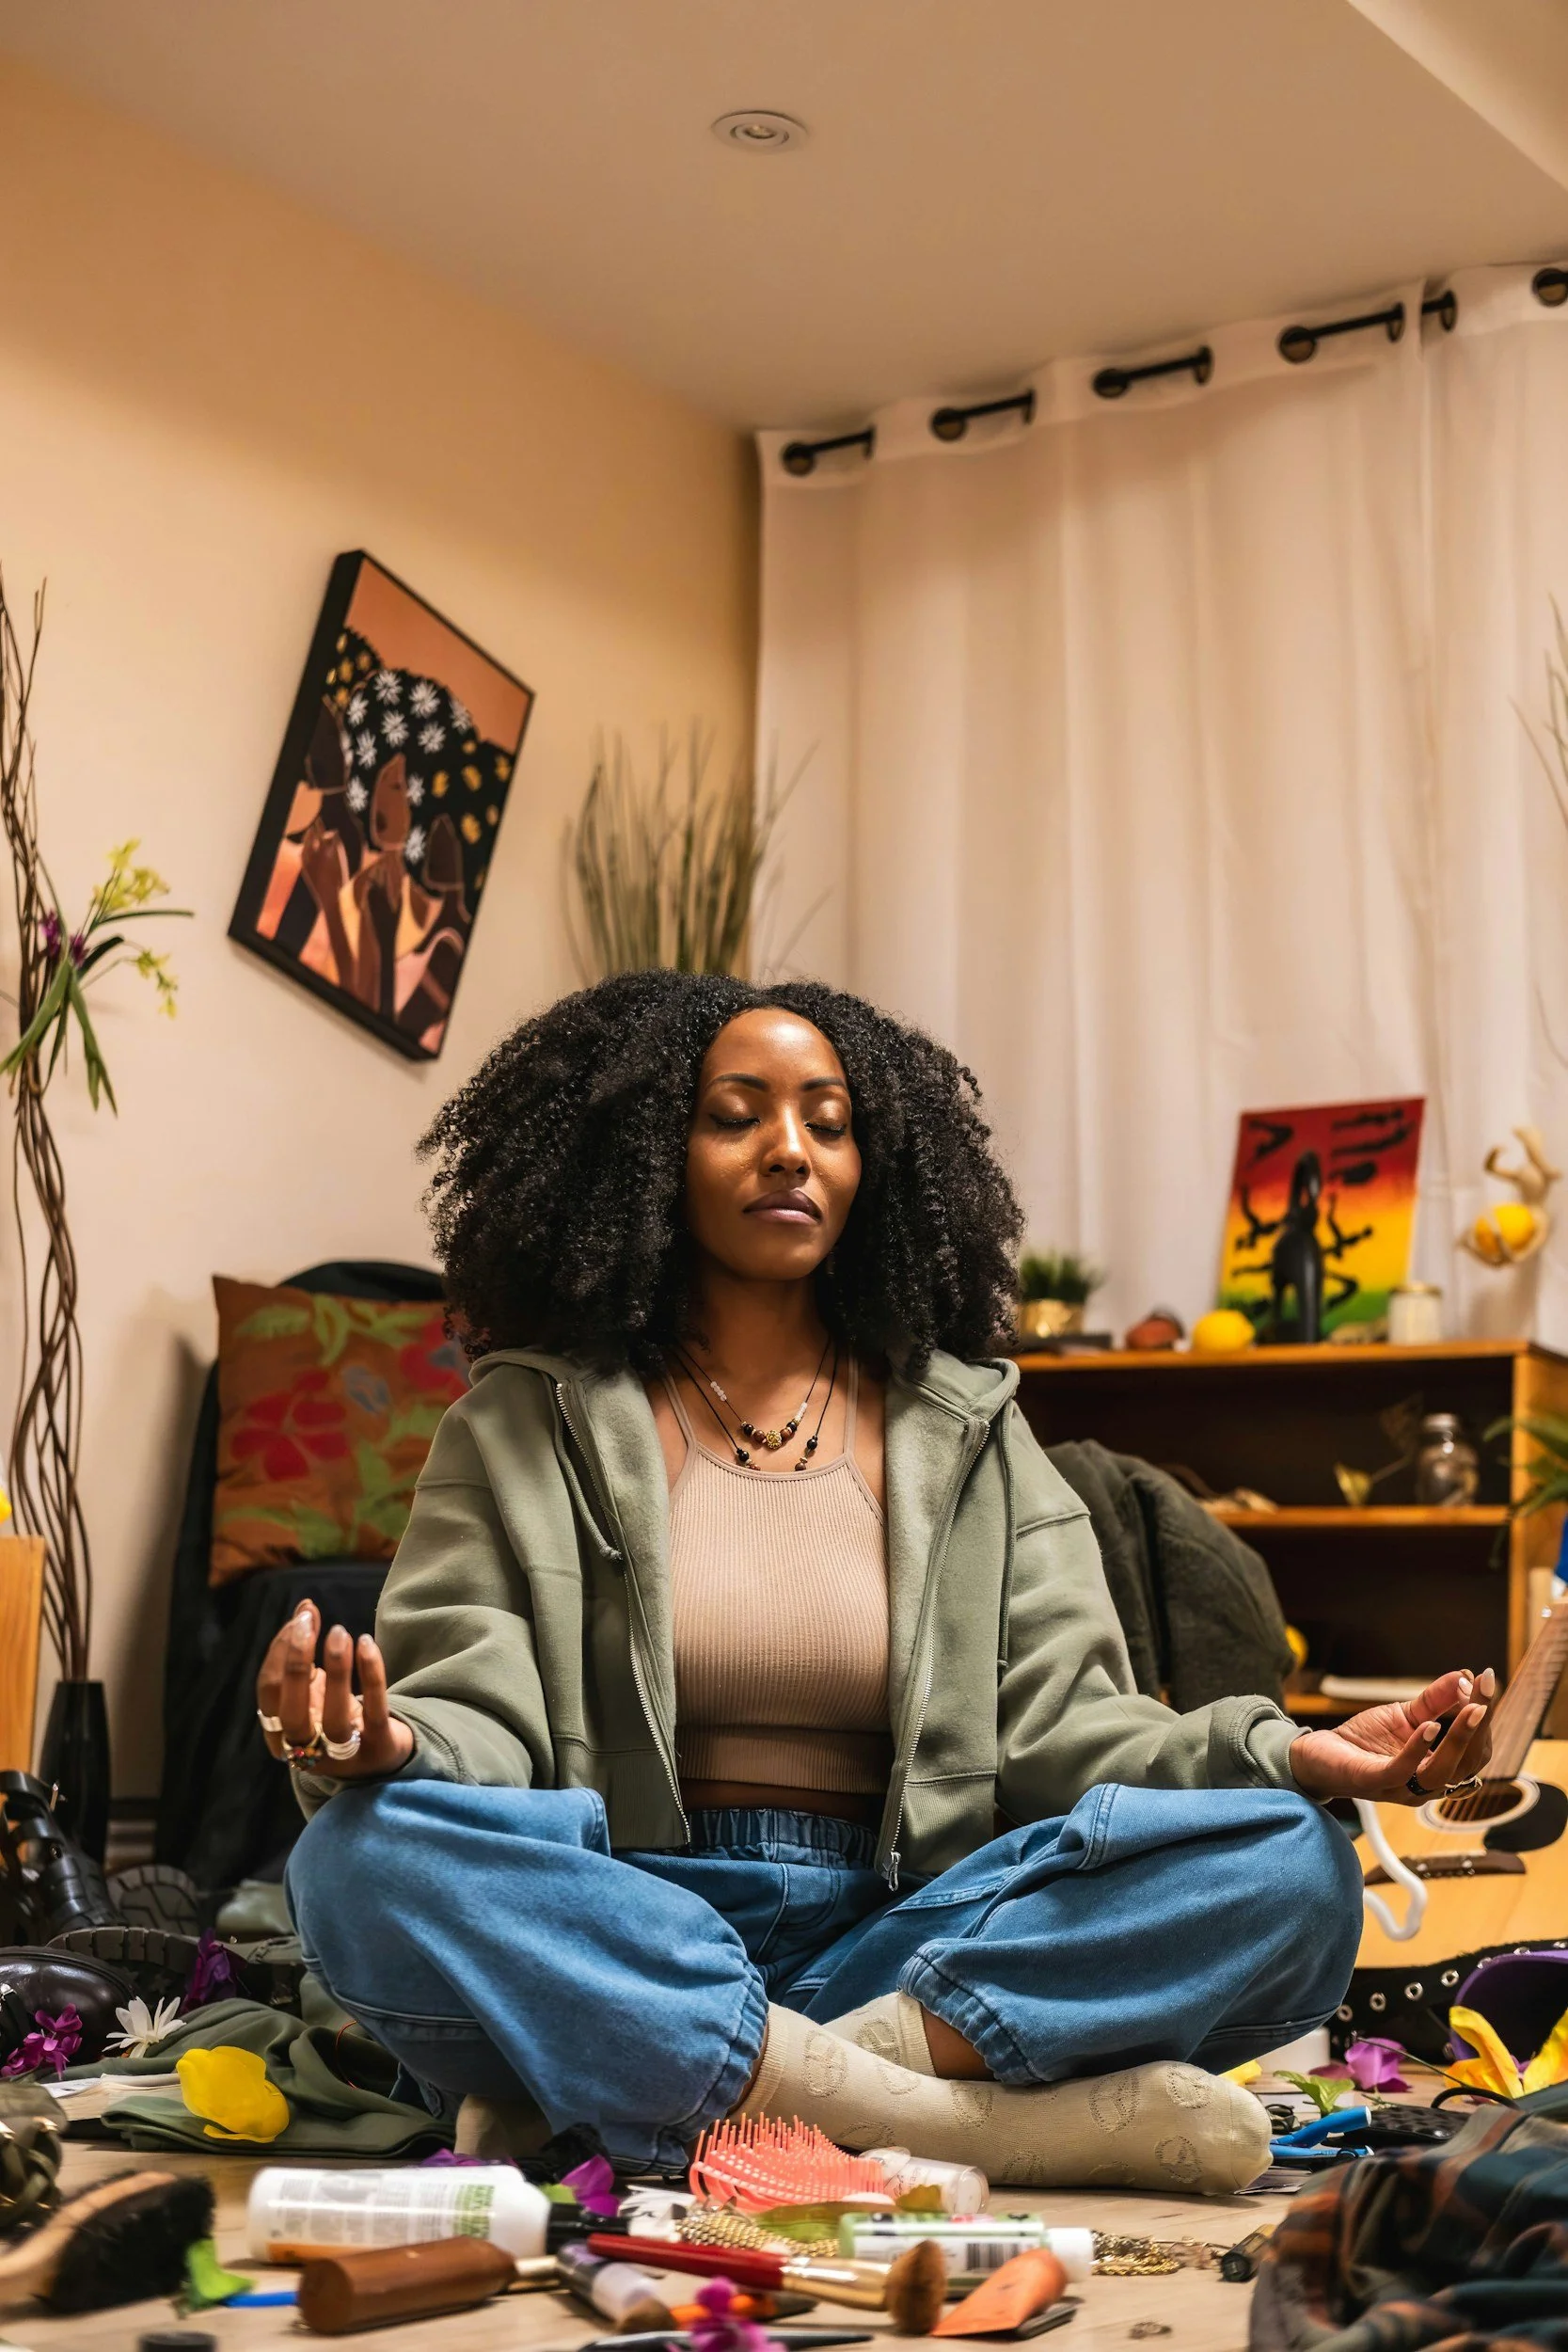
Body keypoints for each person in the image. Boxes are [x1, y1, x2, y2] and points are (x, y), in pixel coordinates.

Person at [267, 973, 1493, 2191]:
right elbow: (476, 1716)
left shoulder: (972, 1434)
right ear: (646, 1155)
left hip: (904, 1946)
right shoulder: (521, 1425)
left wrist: (1291, 1755)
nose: (789, 1150)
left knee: (1289, 1864)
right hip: (621, 1917)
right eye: (736, 1114)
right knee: (359, 1857)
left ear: (879, 1168)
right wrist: (383, 1747)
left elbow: (1073, 1729)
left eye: (827, 1120)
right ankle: (935, 2121)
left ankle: (686, 2092)